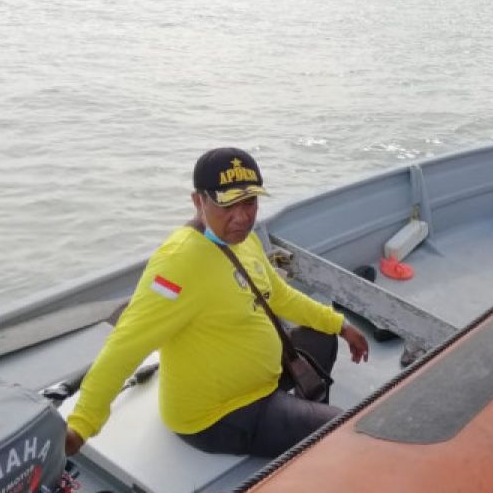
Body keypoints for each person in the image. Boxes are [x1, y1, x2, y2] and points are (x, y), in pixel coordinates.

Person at [64, 148, 369, 459]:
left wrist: (340, 325)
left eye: (249, 203)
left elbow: (279, 296)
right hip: (221, 414)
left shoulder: (243, 240)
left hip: (262, 380)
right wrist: (81, 425)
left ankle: (296, 428)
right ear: (199, 201)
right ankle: (301, 437)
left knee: (322, 335)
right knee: (343, 431)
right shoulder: (178, 263)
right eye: (227, 205)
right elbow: (125, 345)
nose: (242, 218)